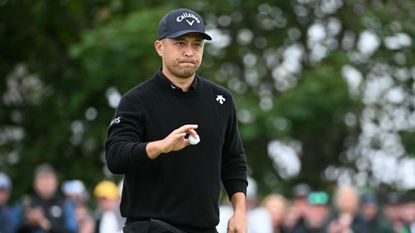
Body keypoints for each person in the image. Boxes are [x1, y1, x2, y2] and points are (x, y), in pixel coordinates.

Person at [105, 8, 248, 233]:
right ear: (159, 47)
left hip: (205, 228)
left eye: (197, 44)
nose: (189, 52)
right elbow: (115, 157)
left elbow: (233, 162)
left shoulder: (221, 100)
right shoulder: (136, 100)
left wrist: (239, 212)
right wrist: (161, 146)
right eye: (180, 43)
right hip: (151, 226)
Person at [15, 164, 77, 233]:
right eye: (42, 179)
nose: (46, 183)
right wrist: (29, 223)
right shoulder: (25, 203)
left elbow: (72, 230)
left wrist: (46, 224)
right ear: (34, 183)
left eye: (49, 178)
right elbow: (12, 229)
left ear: (56, 183)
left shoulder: (65, 204)